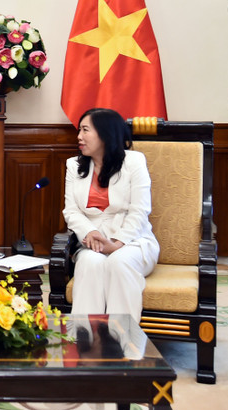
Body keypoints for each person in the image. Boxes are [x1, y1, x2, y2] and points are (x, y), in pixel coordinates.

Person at [62, 108, 159, 320]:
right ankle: (86, 341)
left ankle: (123, 342)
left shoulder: (134, 162)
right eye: (79, 130)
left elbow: (140, 209)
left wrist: (117, 242)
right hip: (92, 241)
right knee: (89, 263)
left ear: (105, 134)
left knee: (120, 262)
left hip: (134, 241)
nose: (79, 136)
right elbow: (71, 210)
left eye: (85, 130)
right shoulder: (73, 165)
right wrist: (92, 232)